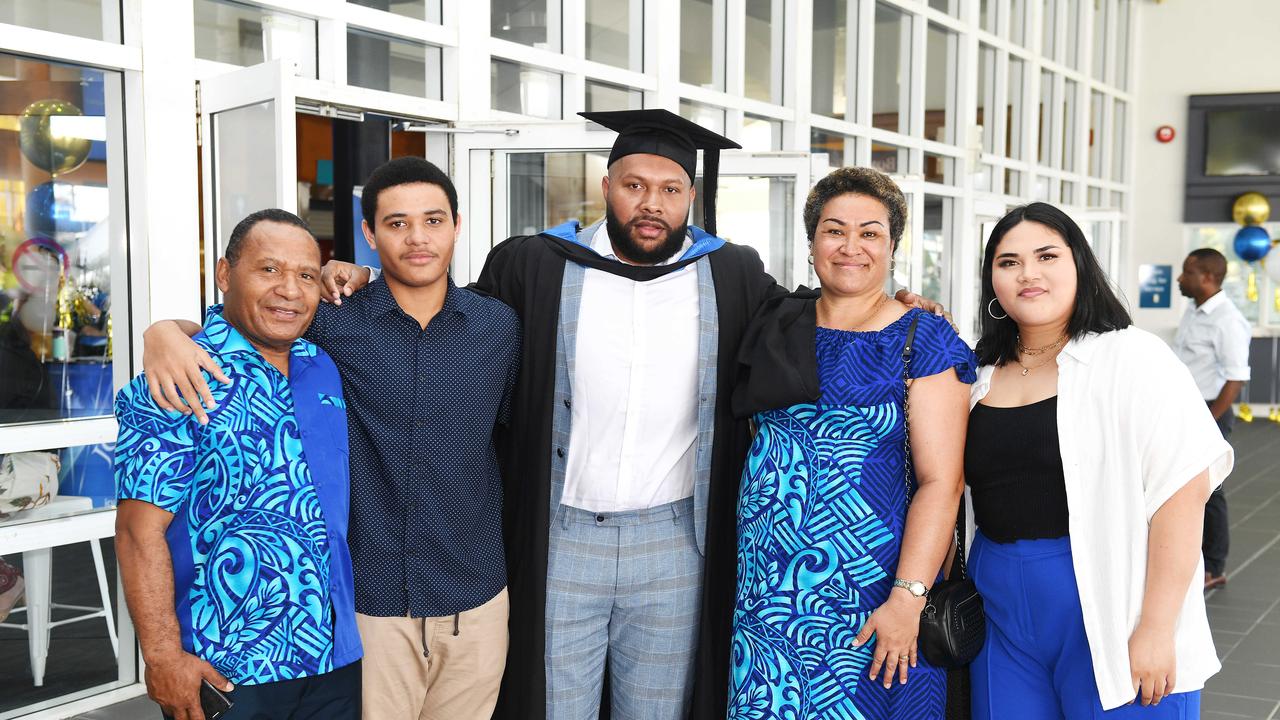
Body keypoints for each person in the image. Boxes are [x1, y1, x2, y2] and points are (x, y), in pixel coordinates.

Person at [318, 111, 947, 719]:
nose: (652, 204)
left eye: (670, 190)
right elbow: (440, 318)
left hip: (676, 545)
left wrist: (905, 307)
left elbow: (824, 316)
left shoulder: (731, 272)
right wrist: (357, 276)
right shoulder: (534, 264)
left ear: (691, 198)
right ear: (606, 187)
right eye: (635, 186)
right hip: (563, 540)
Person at [138, 158, 520, 720]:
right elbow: (252, 316)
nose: (417, 238)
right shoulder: (333, 322)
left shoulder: (499, 326)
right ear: (369, 234)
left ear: (457, 226)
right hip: (370, 610)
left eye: (433, 220)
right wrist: (163, 332)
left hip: (479, 601)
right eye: (396, 223)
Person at [965, 203, 1232, 718]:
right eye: (1008, 261)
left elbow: (1183, 493)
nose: (1029, 274)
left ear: (1080, 266)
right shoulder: (979, 372)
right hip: (999, 603)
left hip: (1110, 597)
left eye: (1047, 256)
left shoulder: (1132, 357)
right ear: (991, 280)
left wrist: (1156, 627)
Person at [729, 167, 973, 719]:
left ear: (892, 246)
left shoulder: (921, 337)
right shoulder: (775, 320)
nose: (851, 247)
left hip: (874, 589)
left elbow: (943, 481)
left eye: (871, 233)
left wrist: (908, 599)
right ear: (812, 241)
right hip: (767, 589)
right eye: (835, 230)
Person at [114, 210, 362, 720]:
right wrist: (161, 656)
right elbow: (139, 532)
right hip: (227, 666)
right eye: (268, 270)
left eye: (306, 275)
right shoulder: (181, 376)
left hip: (334, 659)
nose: (289, 290)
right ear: (226, 274)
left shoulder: (323, 366)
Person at [1174, 248, 1251, 590]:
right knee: (1184, 485)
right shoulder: (1195, 310)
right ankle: (1189, 556)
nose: (1179, 278)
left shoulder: (1227, 320)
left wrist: (1209, 420)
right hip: (1188, 408)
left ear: (1206, 277)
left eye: (1186, 272)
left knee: (1210, 489)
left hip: (1210, 411)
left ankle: (1214, 567)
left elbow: (1235, 379)